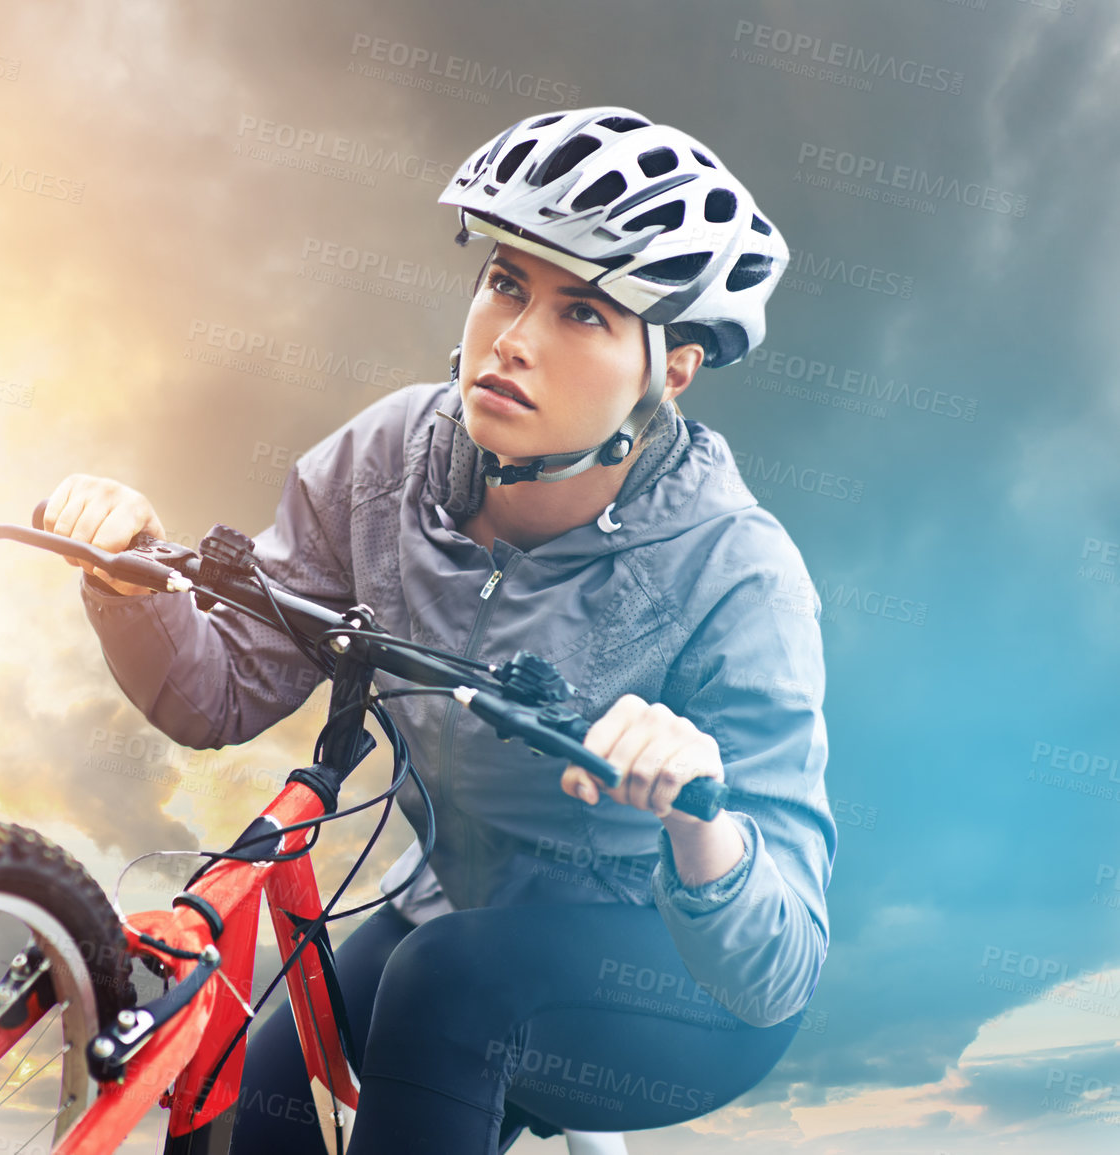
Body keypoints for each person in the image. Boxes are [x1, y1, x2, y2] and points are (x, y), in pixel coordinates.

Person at [43, 106, 835, 1154]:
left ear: (671, 370)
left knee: (449, 986)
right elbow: (216, 694)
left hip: (683, 984)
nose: (513, 340)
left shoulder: (738, 571)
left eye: (585, 314)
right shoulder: (386, 462)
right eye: (507, 283)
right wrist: (133, 586)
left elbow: (780, 966)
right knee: (264, 1087)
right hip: (452, 910)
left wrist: (701, 820)